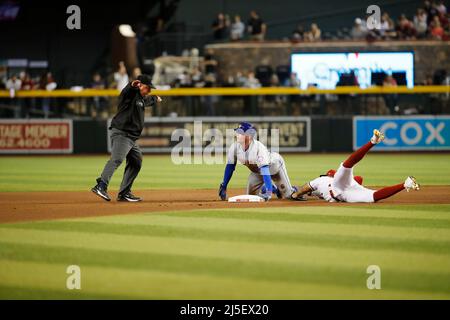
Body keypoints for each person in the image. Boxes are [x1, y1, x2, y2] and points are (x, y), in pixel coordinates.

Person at [291, 130, 420, 202]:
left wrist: (296, 195)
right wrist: (304, 194)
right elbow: (359, 179)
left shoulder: (322, 180)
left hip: (339, 189)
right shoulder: (324, 183)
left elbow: (306, 188)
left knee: (347, 165)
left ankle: (372, 142)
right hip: (347, 192)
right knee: (373, 196)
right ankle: (405, 184)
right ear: (332, 174)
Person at [91, 74, 162, 202]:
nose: (149, 90)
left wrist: (155, 98)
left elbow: (146, 101)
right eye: (148, 88)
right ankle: (101, 186)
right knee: (117, 159)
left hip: (131, 138)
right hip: (122, 134)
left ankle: (124, 193)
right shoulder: (129, 95)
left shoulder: (140, 99)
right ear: (140, 85)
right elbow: (127, 91)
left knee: (136, 161)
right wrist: (132, 85)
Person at [218, 122, 302, 202]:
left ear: (249, 135)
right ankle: (275, 189)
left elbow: (265, 170)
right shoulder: (234, 148)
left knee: (289, 195)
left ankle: (294, 189)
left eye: (240, 132)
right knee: (251, 197)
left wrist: (268, 193)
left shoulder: (258, 148)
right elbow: (230, 167)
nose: (237, 134)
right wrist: (224, 185)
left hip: (274, 166)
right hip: (257, 171)